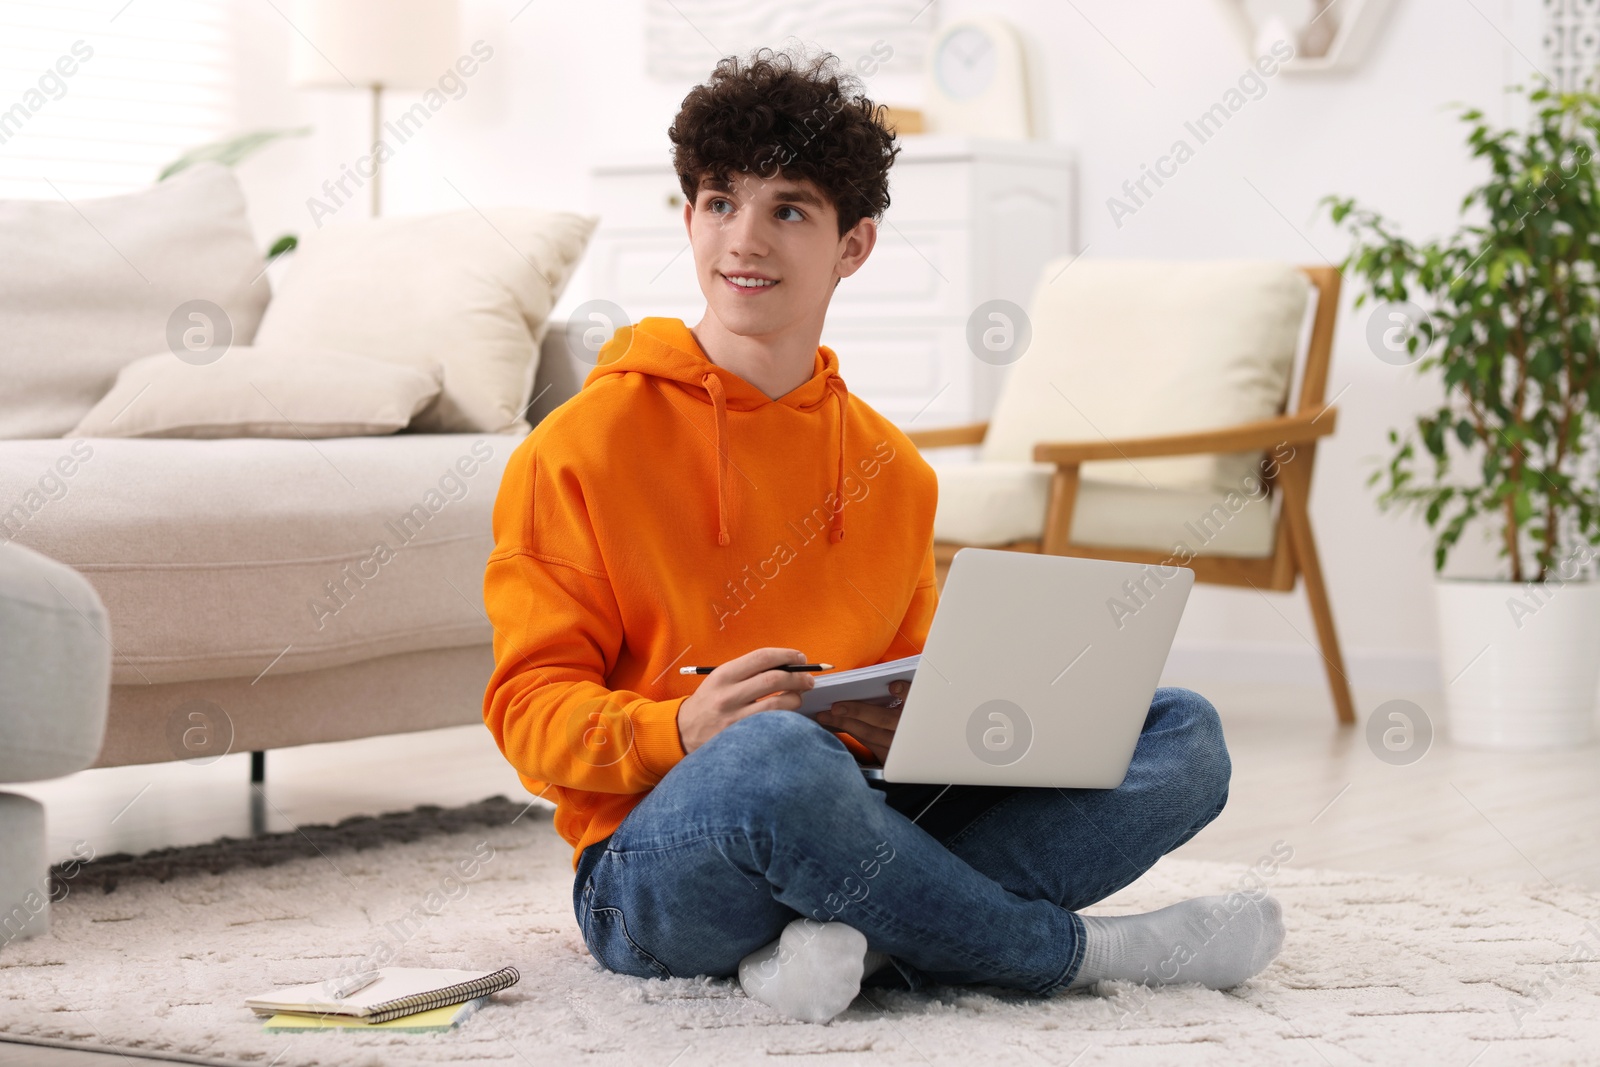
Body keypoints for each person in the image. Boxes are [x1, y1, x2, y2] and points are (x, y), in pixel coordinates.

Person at [481, 46, 1284, 1025]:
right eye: (721, 202)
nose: (744, 238)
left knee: (1182, 732)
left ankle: (835, 949)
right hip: (653, 869)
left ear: (851, 245)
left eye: (788, 209)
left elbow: (914, 676)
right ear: (689, 215)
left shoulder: (892, 470)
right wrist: (681, 728)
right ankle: (1069, 954)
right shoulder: (578, 446)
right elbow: (525, 711)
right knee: (779, 756)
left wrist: (921, 720)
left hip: (864, 816)